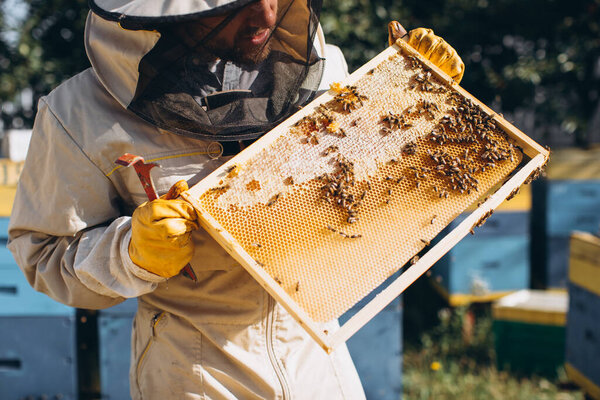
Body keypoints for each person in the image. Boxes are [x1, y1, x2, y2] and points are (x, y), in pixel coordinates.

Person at [8, 0, 464, 398]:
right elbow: (44, 253)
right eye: (236, 1)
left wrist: (411, 104)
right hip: (194, 375)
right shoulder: (79, 110)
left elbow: (367, 198)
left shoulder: (327, 68)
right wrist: (131, 252)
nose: (266, 13)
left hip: (321, 360)